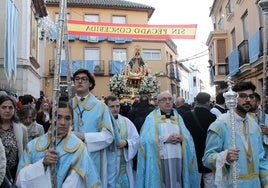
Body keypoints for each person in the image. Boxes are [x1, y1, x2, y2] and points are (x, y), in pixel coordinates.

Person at [15, 101, 101, 188]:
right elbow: (20, 180)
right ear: (51, 119)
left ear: (72, 121)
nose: (63, 122)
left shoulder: (79, 148)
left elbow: (87, 181)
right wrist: (42, 164)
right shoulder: (32, 146)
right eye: (58, 117)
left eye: (67, 118)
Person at [202, 81, 268, 187]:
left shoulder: (255, 126)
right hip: (232, 184)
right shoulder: (220, 125)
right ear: (233, 98)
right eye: (242, 96)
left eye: (251, 96)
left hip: (254, 184)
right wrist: (225, 157)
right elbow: (207, 159)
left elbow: (261, 159)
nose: (248, 100)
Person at [136, 91, 199, 188]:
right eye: (164, 100)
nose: (168, 102)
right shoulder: (151, 118)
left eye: (170, 99)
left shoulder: (178, 117)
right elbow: (145, 140)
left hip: (179, 158)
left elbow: (188, 138)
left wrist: (182, 138)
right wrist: (165, 139)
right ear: (158, 102)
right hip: (160, 160)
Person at [71, 68, 116, 187]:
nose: (80, 82)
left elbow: (108, 136)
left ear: (90, 83)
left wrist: (84, 137)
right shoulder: (68, 105)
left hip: (94, 157)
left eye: (84, 79)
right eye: (77, 79)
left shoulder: (100, 107)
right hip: (71, 157)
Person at [182, 92, 216, 188]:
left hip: (192, 152)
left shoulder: (186, 115)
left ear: (196, 101)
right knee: (209, 179)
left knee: (195, 180)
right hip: (207, 152)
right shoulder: (212, 117)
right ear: (207, 102)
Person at [105, 95, 139, 188]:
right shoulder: (102, 122)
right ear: (106, 107)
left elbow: (136, 139)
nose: (115, 109)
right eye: (112, 107)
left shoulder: (126, 121)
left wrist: (126, 143)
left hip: (123, 164)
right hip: (107, 163)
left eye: (117, 106)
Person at [0, 95, 28, 180]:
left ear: (14, 110)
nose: (7, 111)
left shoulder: (21, 129)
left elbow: (25, 153)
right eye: (4, 107)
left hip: (14, 172)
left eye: (10, 108)